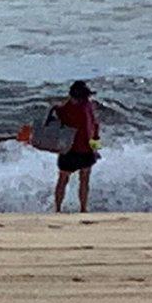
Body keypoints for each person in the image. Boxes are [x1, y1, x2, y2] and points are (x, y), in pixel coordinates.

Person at [52, 80, 100, 213]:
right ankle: (83, 208)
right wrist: (96, 148)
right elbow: (94, 129)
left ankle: (57, 208)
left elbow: (56, 123)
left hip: (67, 148)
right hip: (85, 148)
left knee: (62, 179)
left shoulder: (64, 108)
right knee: (84, 180)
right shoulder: (88, 106)